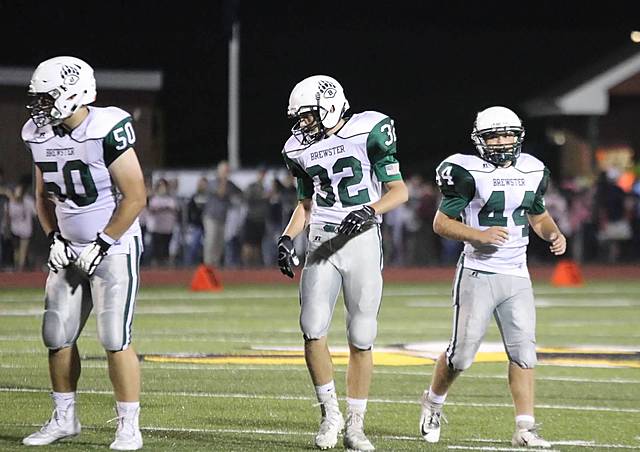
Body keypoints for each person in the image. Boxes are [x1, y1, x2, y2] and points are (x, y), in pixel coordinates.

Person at [418, 106, 566, 448]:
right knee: (461, 356)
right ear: (480, 140)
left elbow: (538, 215)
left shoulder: (533, 169)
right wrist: (478, 234)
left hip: (517, 273)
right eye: (494, 136)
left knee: (524, 352)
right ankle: (433, 402)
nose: (502, 141)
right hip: (478, 272)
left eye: (508, 135)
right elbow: (441, 223)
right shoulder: (467, 172)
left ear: (519, 136)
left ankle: (524, 428)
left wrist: (553, 233)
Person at [277, 75, 408, 451]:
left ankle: (356, 423)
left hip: (362, 240)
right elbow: (306, 206)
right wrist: (287, 238)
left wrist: (370, 210)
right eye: (300, 118)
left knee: (362, 336)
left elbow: (399, 191)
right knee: (312, 326)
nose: (303, 124)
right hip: (322, 240)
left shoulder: (368, 130)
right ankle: (330, 414)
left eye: (308, 116)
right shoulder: (297, 148)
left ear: (330, 107)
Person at [21, 56, 146, 450]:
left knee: (114, 336)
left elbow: (136, 196)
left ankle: (128, 426)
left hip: (115, 246)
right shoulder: (38, 134)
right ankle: (64, 419)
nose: (39, 107)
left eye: (47, 97)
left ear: (72, 94)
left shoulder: (105, 128)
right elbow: (42, 196)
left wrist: (103, 242)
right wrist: (53, 237)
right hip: (69, 248)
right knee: (56, 334)